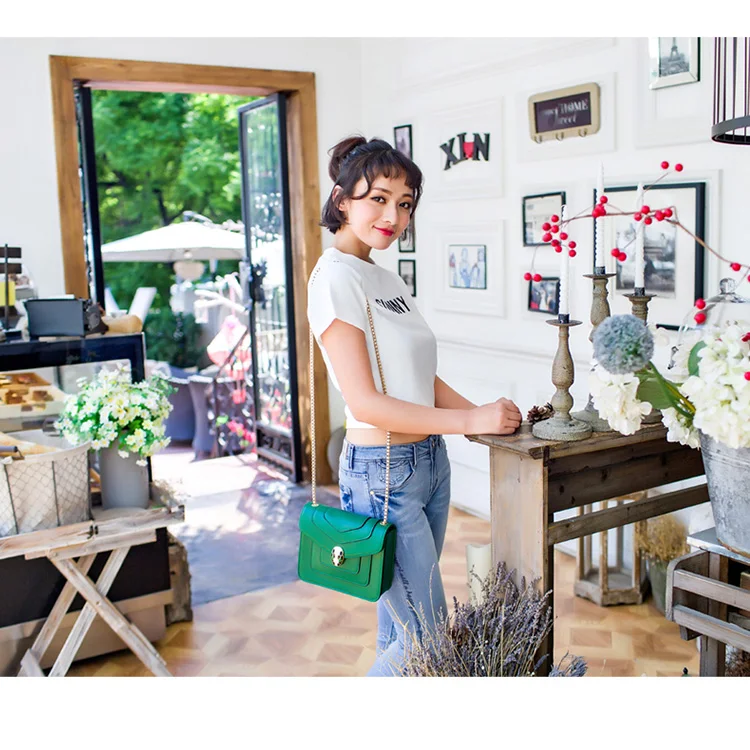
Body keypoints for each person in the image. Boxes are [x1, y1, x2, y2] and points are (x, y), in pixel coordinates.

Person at [306, 135, 522, 677]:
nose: (393, 216)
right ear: (342, 200)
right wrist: (468, 420)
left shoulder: (384, 277)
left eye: (404, 204)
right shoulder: (334, 277)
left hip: (428, 464)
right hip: (382, 473)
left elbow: (420, 378)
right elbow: (366, 402)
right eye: (378, 199)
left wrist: (482, 422)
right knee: (428, 641)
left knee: (401, 632)